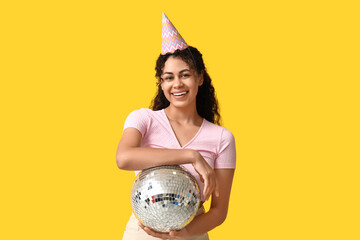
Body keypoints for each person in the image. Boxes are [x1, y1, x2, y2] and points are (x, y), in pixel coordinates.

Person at [117, 13, 236, 240]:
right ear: (161, 84)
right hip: (141, 233)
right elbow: (124, 158)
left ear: (200, 78)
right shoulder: (143, 119)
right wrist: (191, 156)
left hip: (191, 233)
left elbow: (219, 211)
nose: (177, 84)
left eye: (185, 75)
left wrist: (183, 233)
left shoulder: (222, 138)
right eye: (168, 78)